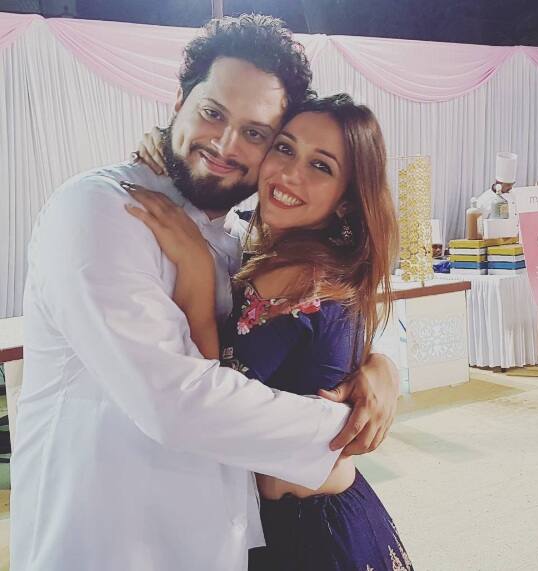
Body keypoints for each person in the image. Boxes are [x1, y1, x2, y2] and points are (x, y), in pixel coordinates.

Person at [10, 15, 399, 571]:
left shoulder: (239, 238)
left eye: (256, 133)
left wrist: (381, 367)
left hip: (226, 540)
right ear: (178, 101)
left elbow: (327, 320)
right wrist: (342, 429)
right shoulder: (103, 211)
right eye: (213, 113)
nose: (225, 144)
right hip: (111, 539)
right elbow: (177, 403)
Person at [126, 94, 413, 571]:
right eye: (284, 148)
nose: (289, 174)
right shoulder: (294, 254)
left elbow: (209, 397)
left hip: (304, 533)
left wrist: (194, 269)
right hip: (307, 514)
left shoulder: (301, 272)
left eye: (320, 166)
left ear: (347, 200)